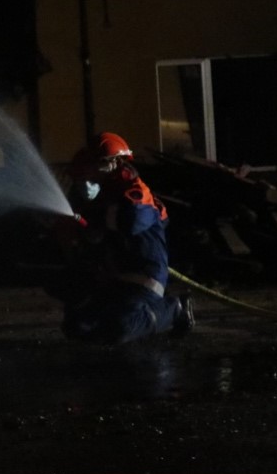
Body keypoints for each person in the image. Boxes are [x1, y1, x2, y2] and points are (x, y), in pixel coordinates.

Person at [49, 132, 194, 343]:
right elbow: (84, 237)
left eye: (95, 167)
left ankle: (175, 308)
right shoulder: (95, 197)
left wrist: (95, 218)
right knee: (77, 326)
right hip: (112, 277)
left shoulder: (136, 192)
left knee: (121, 328)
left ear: (115, 163)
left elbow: (131, 221)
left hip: (143, 277)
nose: (87, 180)